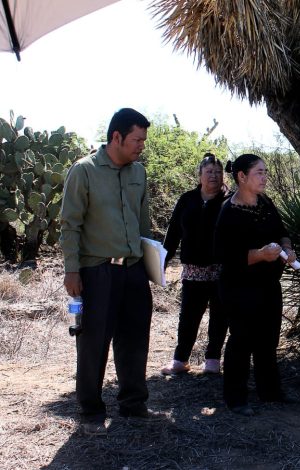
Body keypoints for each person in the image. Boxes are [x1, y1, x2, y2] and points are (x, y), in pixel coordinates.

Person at [60, 108, 161, 435]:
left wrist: (153, 263)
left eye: (143, 141)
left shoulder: (139, 174)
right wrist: (72, 271)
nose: (141, 146)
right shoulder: (84, 171)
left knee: (135, 339)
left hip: (133, 272)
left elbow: (144, 224)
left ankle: (133, 404)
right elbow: (70, 225)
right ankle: (90, 411)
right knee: (93, 343)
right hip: (97, 272)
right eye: (136, 140)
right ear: (116, 137)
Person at [213, 153, 298, 416]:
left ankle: (270, 391)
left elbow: (282, 231)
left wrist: (287, 248)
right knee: (242, 339)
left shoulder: (265, 202)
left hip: (268, 284)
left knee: (268, 338)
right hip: (238, 287)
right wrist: (260, 254)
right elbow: (224, 256)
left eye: (265, 172)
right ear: (242, 176)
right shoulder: (228, 211)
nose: (265, 177)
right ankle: (235, 398)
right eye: (259, 172)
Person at [160, 153, 228, 376]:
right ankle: (180, 360)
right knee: (188, 316)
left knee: (219, 316)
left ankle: (213, 359)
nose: (214, 176)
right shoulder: (187, 200)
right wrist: (161, 261)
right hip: (193, 271)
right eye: (209, 172)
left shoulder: (230, 200)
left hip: (221, 271)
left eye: (218, 172)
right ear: (199, 175)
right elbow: (172, 235)